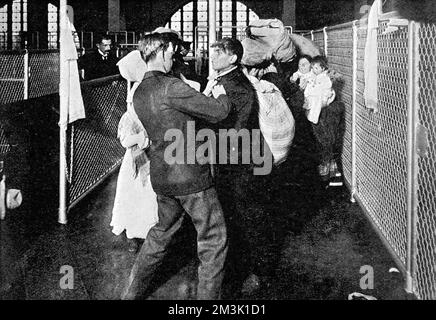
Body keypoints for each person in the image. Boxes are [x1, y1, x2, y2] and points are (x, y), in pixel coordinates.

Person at [121, 33, 231, 300]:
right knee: (214, 239)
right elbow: (219, 112)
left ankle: (129, 296)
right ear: (163, 50)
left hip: (162, 178)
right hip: (191, 179)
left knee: (160, 236)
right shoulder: (171, 86)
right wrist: (221, 91)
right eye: (173, 51)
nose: (175, 56)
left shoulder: (139, 92)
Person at [207, 38, 273, 297]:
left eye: (218, 53)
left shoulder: (237, 85)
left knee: (247, 216)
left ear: (233, 58)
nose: (212, 56)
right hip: (231, 161)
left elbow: (239, 128)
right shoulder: (225, 80)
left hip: (241, 163)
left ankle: (260, 272)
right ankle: (241, 267)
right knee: (235, 214)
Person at [110, 79, 158, 253]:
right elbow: (125, 140)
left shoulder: (153, 115)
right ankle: (132, 235)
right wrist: (141, 140)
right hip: (134, 162)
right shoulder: (129, 117)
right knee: (132, 197)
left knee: (149, 197)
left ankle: (147, 233)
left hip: (151, 159)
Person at [303, 55, 335, 125]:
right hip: (317, 93)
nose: (314, 70)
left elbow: (327, 89)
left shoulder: (325, 78)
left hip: (323, 96)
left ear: (323, 68)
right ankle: (309, 110)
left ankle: (312, 117)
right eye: (313, 68)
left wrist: (324, 100)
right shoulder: (316, 75)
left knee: (315, 102)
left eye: (316, 68)